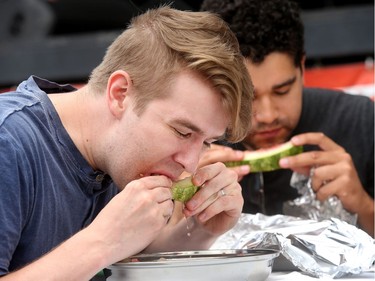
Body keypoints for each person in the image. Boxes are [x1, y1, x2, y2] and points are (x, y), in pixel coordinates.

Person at [0, 6, 253, 280]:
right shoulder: (8, 143)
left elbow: (122, 264)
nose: (190, 163)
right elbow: (103, 251)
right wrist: (101, 242)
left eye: (207, 142)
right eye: (182, 132)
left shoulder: (115, 152)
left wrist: (203, 229)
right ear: (120, 94)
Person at [200, 0, 374, 236]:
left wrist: (363, 204)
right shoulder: (190, 138)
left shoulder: (360, 120)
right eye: (247, 97)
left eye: (282, 91)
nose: (268, 115)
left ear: (302, 68)